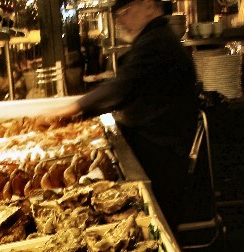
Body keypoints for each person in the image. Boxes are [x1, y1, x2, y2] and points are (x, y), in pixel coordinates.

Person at [37, 0, 199, 232]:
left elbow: (122, 87)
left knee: (159, 227)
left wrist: (73, 107)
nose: (120, 20)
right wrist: (80, 115)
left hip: (161, 156)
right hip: (158, 147)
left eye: (125, 12)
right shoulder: (154, 38)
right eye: (118, 15)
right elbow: (129, 89)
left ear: (149, 7)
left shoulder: (157, 42)